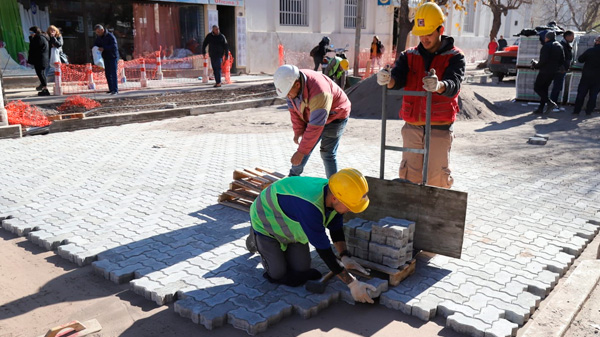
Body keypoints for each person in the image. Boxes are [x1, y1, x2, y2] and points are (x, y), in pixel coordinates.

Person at [247, 168, 377, 303]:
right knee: (277, 274)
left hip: (292, 227)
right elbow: (324, 250)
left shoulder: (338, 192)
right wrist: (353, 284)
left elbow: (336, 228)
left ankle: (280, 250)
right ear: (334, 198)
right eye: (350, 206)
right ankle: (255, 238)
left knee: (302, 269)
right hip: (267, 224)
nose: (351, 210)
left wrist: (344, 256)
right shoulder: (310, 206)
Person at [376, 2, 465, 189]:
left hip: (439, 128)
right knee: (409, 177)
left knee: (436, 180)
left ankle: (435, 217)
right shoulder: (409, 56)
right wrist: (388, 79)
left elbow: (454, 84)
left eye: (429, 34)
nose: (424, 39)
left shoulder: (455, 57)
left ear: (440, 29)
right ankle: (407, 216)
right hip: (413, 127)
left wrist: (439, 85)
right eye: (421, 34)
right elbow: (397, 79)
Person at [273, 64, 351, 178]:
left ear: (297, 84)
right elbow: (294, 112)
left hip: (336, 115)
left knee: (327, 153)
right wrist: (298, 131)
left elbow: (315, 127)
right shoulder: (291, 85)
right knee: (304, 148)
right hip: (316, 114)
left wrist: (301, 152)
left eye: (288, 93)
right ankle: (293, 177)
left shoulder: (320, 93)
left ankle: (333, 187)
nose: (288, 96)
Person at [531, 31, 565, 114]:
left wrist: (535, 65)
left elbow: (543, 60)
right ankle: (541, 108)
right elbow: (562, 60)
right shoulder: (559, 46)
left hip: (544, 71)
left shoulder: (546, 46)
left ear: (547, 38)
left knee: (537, 88)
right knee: (544, 89)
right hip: (553, 72)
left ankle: (550, 103)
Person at [572, 36, 600, 116]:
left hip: (587, 76)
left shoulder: (590, 51)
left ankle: (576, 110)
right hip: (598, 78)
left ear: (598, 42)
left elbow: (580, 59)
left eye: (596, 40)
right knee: (593, 95)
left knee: (581, 93)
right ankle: (589, 111)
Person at [550, 31, 574, 105]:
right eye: (572, 36)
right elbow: (558, 58)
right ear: (567, 36)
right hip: (560, 70)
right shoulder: (562, 45)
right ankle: (552, 103)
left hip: (562, 69)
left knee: (558, 87)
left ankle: (553, 103)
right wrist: (562, 68)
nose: (573, 38)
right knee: (556, 87)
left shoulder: (566, 45)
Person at [93, 24, 119, 95]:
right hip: (106, 57)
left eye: (98, 32)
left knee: (113, 73)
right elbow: (96, 44)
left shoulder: (110, 36)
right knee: (108, 74)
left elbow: (114, 46)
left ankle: (115, 89)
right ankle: (111, 89)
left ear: (102, 30)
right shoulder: (99, 37)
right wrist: (95, 48)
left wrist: (104, 48)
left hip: (113, 56)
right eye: (96, 32)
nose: (98, 34)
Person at [27, 26, 50, 96]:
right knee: (41, 74)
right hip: (42, 59)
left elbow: (34, 48)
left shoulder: (38, 38)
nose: (30, 33)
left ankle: (45, 88)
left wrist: (31, 39)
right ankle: (44, 87)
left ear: (35, 32)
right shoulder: (43, 37)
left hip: (39, 59)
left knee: (40, 74)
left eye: (31, 32)